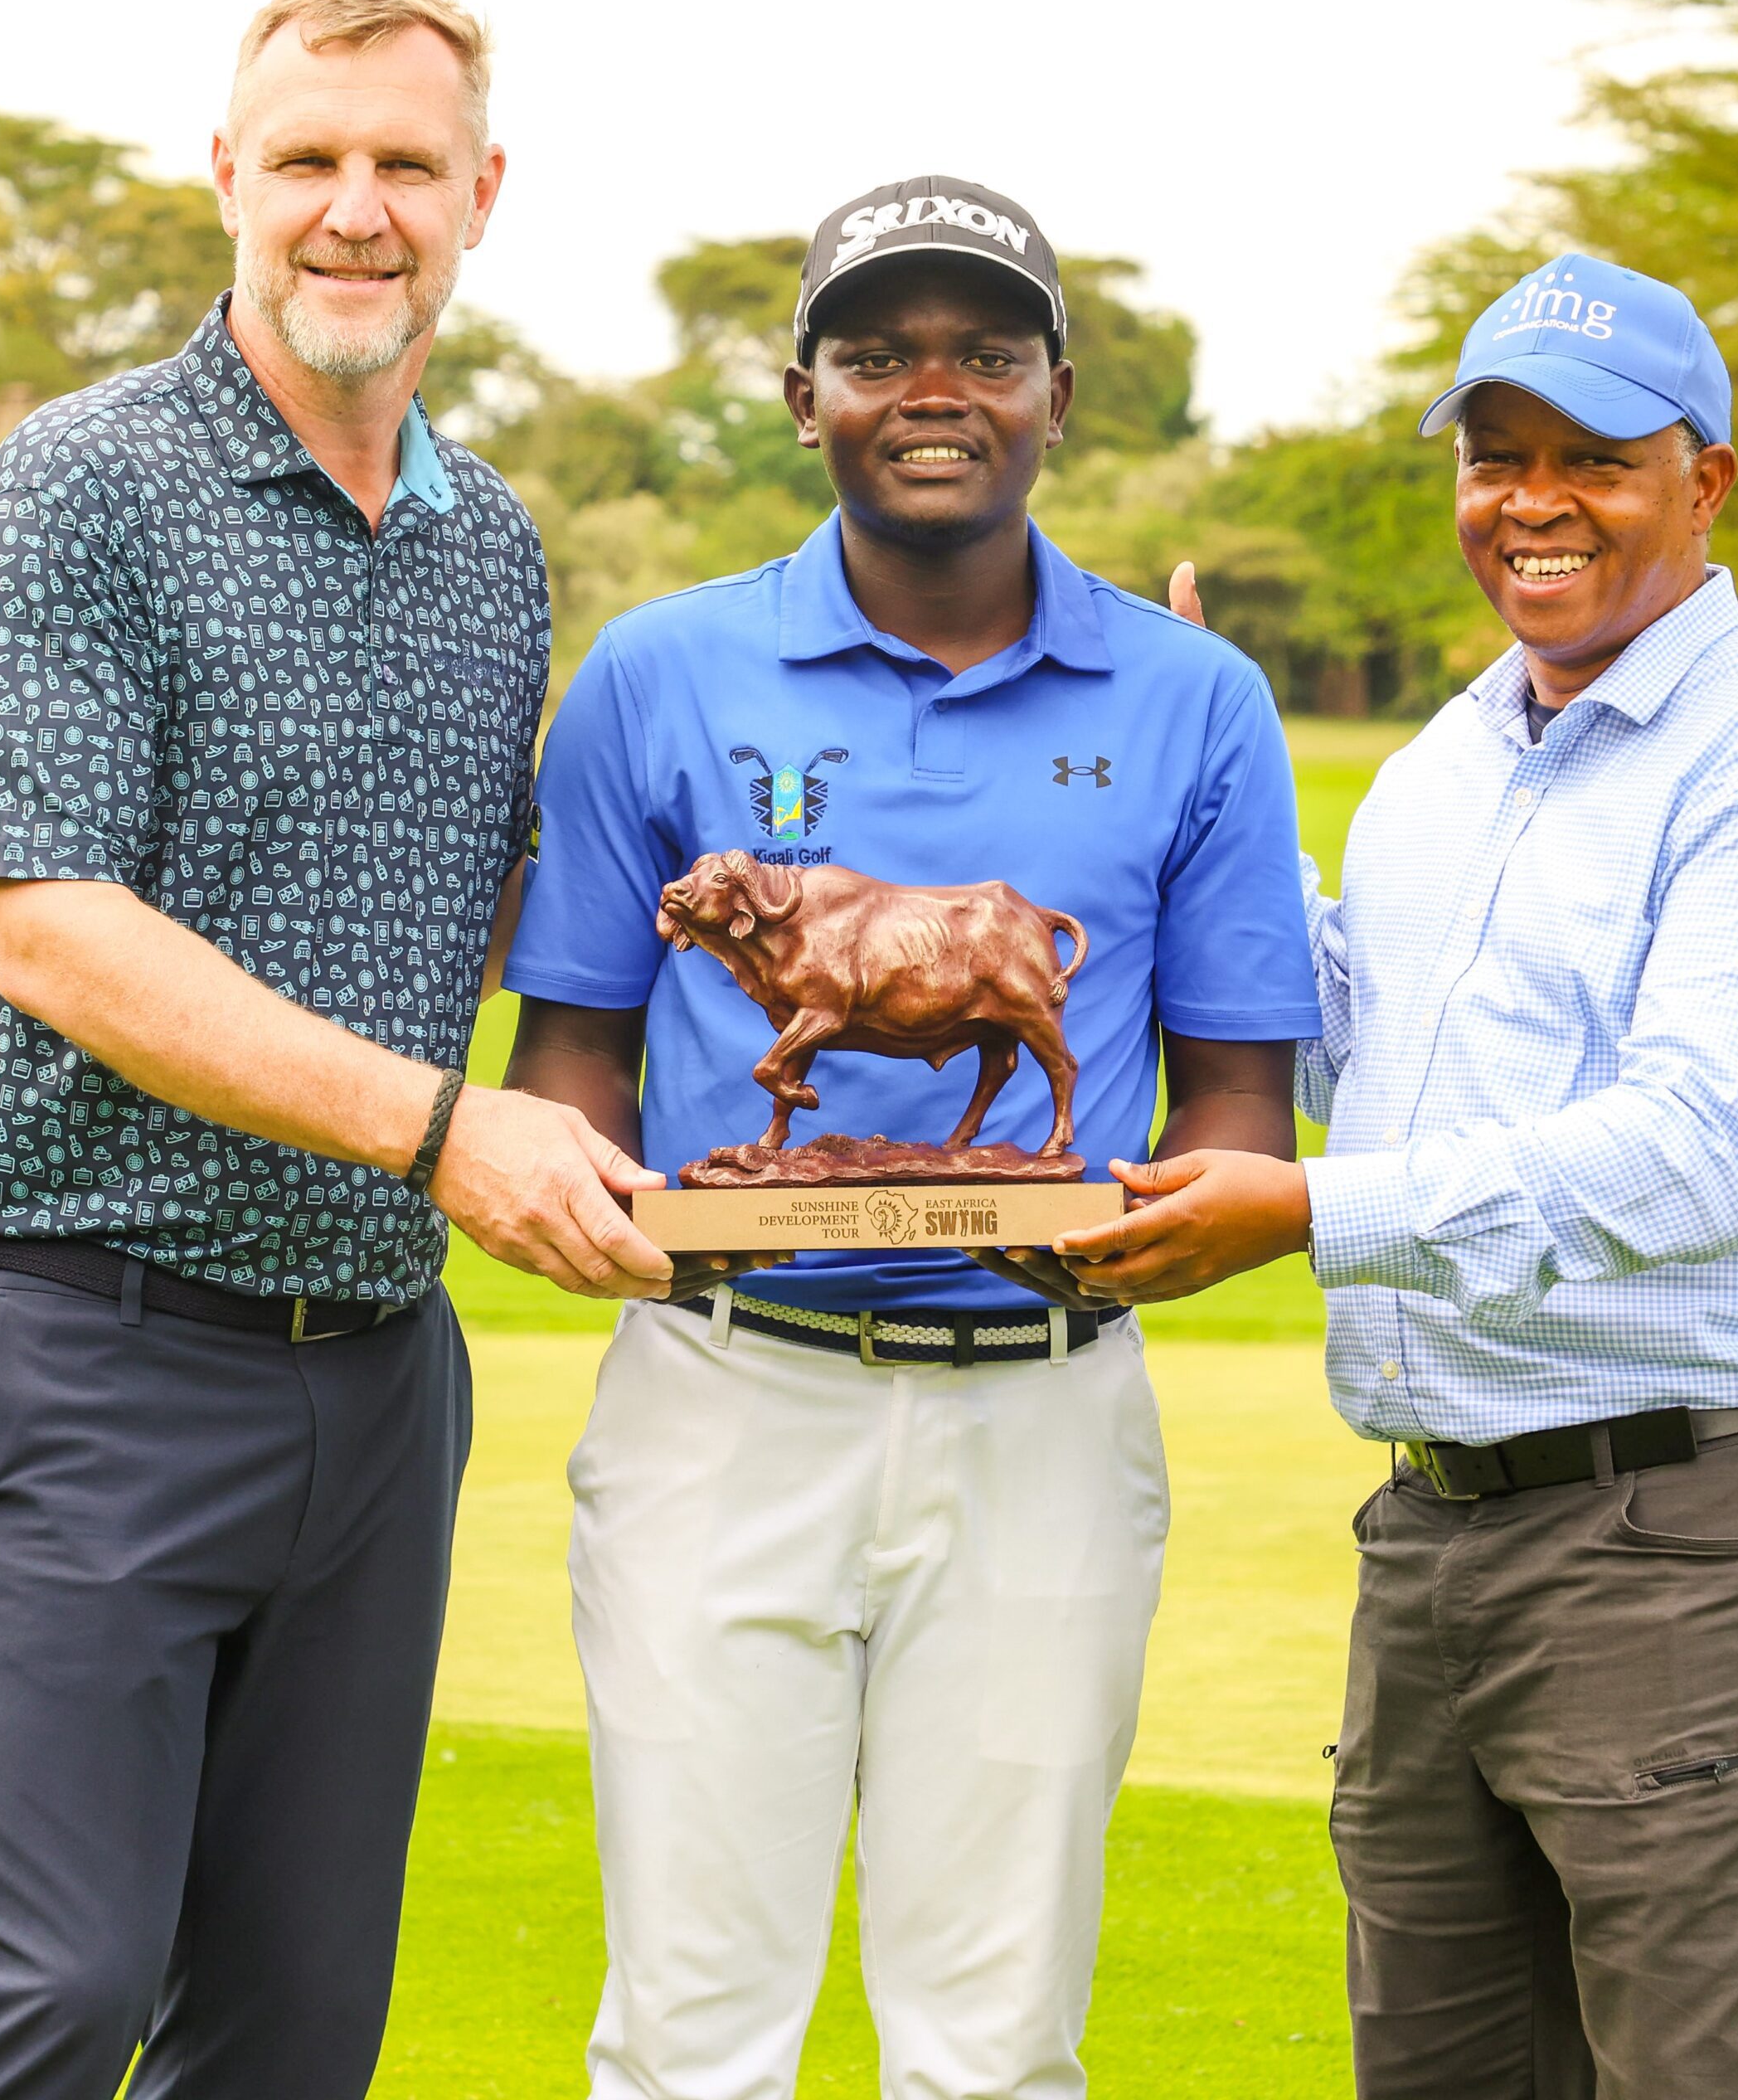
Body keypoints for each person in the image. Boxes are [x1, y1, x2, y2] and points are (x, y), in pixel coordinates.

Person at [0, 0, 672, 2098]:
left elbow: (493, 910)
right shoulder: (83, 486)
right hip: (78, 1351)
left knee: (292, 2033)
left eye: (406, 164)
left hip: (374, 1386)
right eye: (308, 159)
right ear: (227, 176)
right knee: (56, 1985)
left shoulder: (489, 543)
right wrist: (443, 1133)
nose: (355, 209)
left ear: (482, 196)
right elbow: (56, 934)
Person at [1059, 253, 1738, 2095]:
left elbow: (1689, 1154)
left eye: (1594, 459)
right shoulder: (1450, 763)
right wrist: (1200, 791)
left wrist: (1305, 1211)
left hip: (1697, 1527)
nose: (1532, 502)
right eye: (1495, 457)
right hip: (1441, 1531)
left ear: (1704, 482)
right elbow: (1351, 1051)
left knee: (1697, 2074)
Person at [500, 177, 1323, 2099]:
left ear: (1056, 395)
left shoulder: (1197, 696)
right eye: (877, 354)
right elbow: (573, 1057)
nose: (932, 389)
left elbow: (1232, 1093)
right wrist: (596, 1198)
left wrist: (1168, 1217)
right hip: (724, 1389)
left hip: (1044, 1405)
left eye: (986, 353)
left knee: (995, 2041)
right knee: (690, 2033)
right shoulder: (658, 670)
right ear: (805, 399)